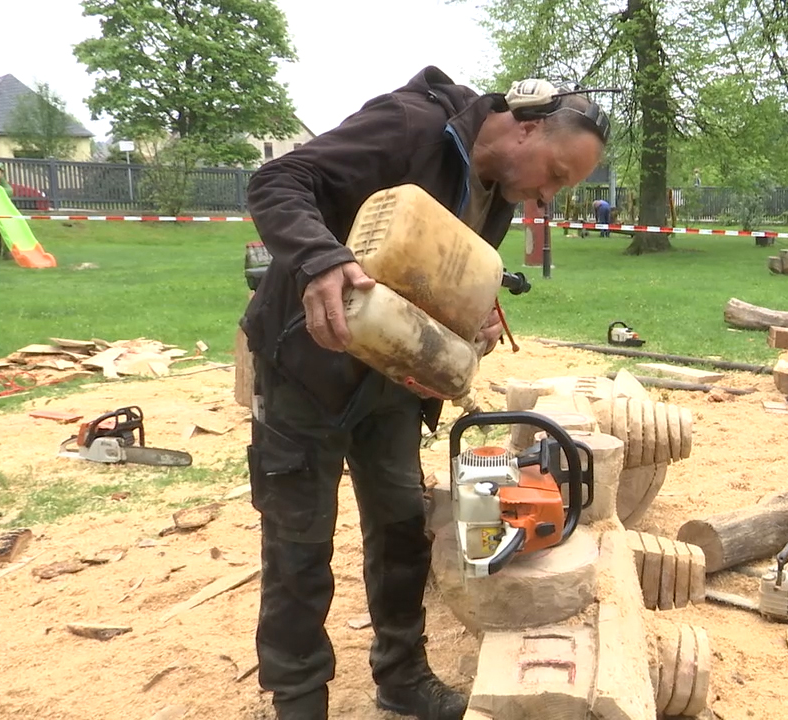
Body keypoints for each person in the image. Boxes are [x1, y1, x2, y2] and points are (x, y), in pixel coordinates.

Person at [240, 66, 607, 720]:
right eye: (555, 173)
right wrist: (321, 260)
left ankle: (401, 677)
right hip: (304, 369)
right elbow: (276, 181)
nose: (548, 196)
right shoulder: (411, 126)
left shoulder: (495, 193)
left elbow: (430, 279)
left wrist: (472, 317)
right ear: (526, 125)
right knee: (299, 545)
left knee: (404, 529)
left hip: (388, 382)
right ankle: (298, 701)